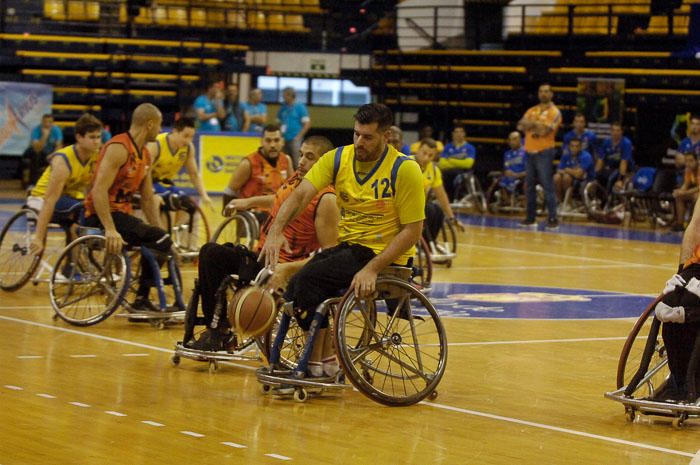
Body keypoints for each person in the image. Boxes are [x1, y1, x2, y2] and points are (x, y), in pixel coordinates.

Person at [260, 103, 425, 377]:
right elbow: (301, 195)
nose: (360, 141)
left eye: (368, 137)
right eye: (356, 134)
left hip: (384, 256)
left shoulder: (405, 170)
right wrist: (276, 231)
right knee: (300, 283)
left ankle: (314, 364)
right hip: (349, 249)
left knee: (309, 278)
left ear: (386, 137)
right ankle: (323, 361)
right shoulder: (338, 159)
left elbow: (412, 232)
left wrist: (372, 268)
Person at [186, 135, 339, 351]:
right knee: (211, 253)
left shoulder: (326, 199)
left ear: (324, 162)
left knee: (224, 263)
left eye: (310, 157)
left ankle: (231, 327)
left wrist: (288, 269)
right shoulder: (298, 180)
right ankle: (218, 331)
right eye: (301, 154)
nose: (302, 161)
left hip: (285, 269)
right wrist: (248, 202)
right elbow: (278, 198)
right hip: (263, 257)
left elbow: (329, 255)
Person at [83, 103, 171, 311]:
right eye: (159, 126)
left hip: (122, 216)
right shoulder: (119, 148)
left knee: (161, 239)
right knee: (159, 238)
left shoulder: (146, 155)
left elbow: (148, 199)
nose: (161, 131)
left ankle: (142, 297)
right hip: (98, 215)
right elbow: (98, 191)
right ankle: (141, 300)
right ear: (150, 124)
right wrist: (110, 229)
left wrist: (161, 232)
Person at [28, 114, 103, 257]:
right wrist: (38, 237)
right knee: (80, 209)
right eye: (92, 137)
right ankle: (87, 244)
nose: (96, 142)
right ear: (79, 137)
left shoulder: (96, 156)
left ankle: (72, 268)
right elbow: (50, 200)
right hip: (41, 199)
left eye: (98, 137)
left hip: (68, 200)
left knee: (91, 209)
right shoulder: (63, 160)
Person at [222, 123, 293, 220]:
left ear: (282, 142)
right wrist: (227, 215)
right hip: (252, 214)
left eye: (276, 140)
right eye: (268, 140)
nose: (272, 145)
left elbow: (292, 190)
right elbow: (230, 191)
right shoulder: (248, 163)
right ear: (261, 142)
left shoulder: (286, 160)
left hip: (276, 213)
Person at [146, 116, 213, 215]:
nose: (188, 141)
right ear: (175, 131)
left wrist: (204, 195)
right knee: (171, 202)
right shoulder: (156, 144)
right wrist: (151, 192)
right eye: (185, 136)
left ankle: (177, 229)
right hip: (149, 182)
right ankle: (162, 230)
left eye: (191, 137)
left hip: (165, 183)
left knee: (189, 205)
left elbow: (194, 175)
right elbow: (144, 171)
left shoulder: (188, 148)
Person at [517, 83, 561, 229]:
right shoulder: (532, 110)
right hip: (529, 151)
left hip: (544, 152)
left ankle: (553, 218)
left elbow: (545, 131)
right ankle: (530, 217)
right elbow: (520, 126)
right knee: (529, 186)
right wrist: (537, 125)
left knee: (547, 185)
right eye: (541, 91)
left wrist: (531, 125)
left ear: (551, 94)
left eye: (547, 91)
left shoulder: (555, 112)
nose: (543, 94)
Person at [413, 138, 461, 250]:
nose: (426, 158)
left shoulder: (434, 170)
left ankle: (430, 242)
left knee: (437, 210)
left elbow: (442, 196)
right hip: (403, 202)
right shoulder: (406, 163)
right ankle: (417, 241)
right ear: (418, 150)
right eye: (424, 153)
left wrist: (452, 218)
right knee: (428, 209)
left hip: (420, 203)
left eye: (430, 155)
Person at [438, 125, 477, 202]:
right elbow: (442, 163)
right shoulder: (447, 147)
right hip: (447, 171)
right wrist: (459, 162)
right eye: (456, 132)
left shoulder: (470, 148)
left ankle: (455, 197)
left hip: (463, 171)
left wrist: (450, 160)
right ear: (453, 134)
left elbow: (468, 164)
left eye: (461, 132)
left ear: (464, 134)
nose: (458, 134)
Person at [553, 137, 595, 208]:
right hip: (572, 177)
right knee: (556, 177)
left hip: (586, 180)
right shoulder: (566, 155)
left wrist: (567, 170)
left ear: (580, 147)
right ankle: (559, 202)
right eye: (572, 146)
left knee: (566, 178)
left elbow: (579, 175)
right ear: (569, 147)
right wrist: (572, 171)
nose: (574, 148)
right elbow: (559, 170)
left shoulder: (586, 156)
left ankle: (569, 203)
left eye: (577, 146)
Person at [595, 122, 635, 193]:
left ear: (621, 132)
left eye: (618, 130)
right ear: (610, 131)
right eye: (613, 130)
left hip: (625, 169)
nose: (615, 133)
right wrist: (595, 174)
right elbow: (600, 159)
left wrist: (620, 179)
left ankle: (609, 199)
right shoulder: (605, 142)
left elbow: (624, 162)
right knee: (599, 177)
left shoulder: (626, 143)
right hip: (611, 168)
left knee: (612, 179)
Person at [25, 114, 64, 186]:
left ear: (52, 123)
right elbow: (37, 148)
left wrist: (53, 155)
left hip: (50, 153)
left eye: (49, 122)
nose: (47, 124)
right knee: (35, 154)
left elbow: (59, 146)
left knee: (60, 155)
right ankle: (33, 183)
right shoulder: (36, 130)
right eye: (45, 122)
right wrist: (44, 136)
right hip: (37, 152)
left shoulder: (56, 130)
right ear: (42, 122)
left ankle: (56, 184)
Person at [277, 87, 310, 167]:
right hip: (284, 138)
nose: (283, 98)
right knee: (283, 160)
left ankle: (298, 178)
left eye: (284, 96)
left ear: (291, 95)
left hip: (295, 139)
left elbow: (307, 124)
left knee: (297, 161)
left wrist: (298, 137)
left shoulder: (300, 107)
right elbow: (278, 122)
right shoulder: (283, 107)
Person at [492, 131, 527, 206]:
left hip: (523, 177)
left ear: (520, 140)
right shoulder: (507, 154)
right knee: (499, 180)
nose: (512, 142)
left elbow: (530, 170)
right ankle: (506, 201)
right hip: (510, 177)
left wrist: (517, 174)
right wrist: (506, 172)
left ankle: (525, 201)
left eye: (514, 139)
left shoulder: (526, 152)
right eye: (510, 140)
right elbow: (506, 167)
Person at [671, 152, 699, 232]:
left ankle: (694, 224)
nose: (688, 163)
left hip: (697, 193)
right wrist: (679, 191)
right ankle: (680, 224)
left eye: (691, 161)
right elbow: (686, 185)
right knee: (678, 196)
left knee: (696, 197)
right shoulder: (688, 170)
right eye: (686, 161)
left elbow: (699, 188)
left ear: (697, 161)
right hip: (694, 192)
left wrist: (685, 193)